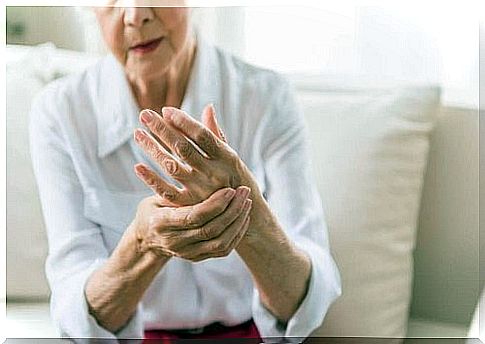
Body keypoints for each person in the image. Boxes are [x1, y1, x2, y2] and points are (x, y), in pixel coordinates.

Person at [29, 5, 341, 342]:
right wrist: (142, 244)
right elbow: (75, 312)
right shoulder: (61, 112)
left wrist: (249, 217)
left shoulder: (265, 97)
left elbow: (308, 301)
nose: (135, 15)